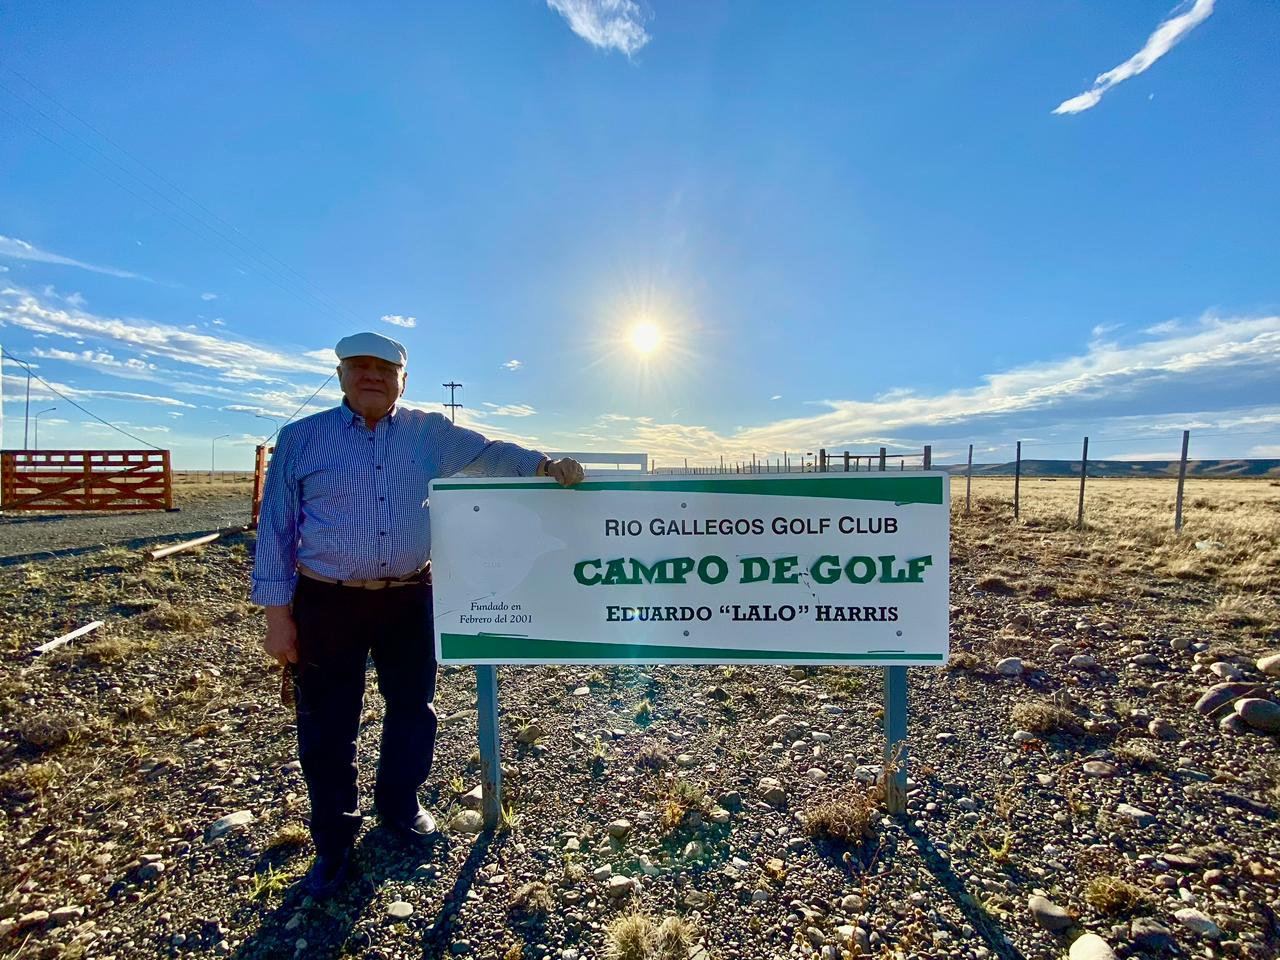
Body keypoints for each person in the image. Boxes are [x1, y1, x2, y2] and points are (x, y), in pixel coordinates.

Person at [251, 330, 584, 897]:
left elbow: (489, 453)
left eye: (384, 368)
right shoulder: (302, 439)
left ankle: (400, 806)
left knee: (413, 707)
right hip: (326, 599)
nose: (372, 376)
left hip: (409, 595)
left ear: (404, 378)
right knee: (327, 722)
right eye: (359, 366)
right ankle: (333, 840)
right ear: (339, 375)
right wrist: (277, 614)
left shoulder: (427, 433)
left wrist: (545, 465)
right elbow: (277, 527)